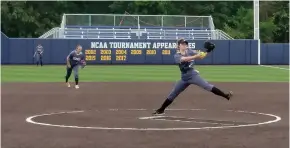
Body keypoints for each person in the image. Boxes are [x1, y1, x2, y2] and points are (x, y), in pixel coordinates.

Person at [153, 39, 233, 115]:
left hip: (193, 75)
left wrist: (208, 51)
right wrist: (195, 56)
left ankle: (226, 96)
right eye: (183, 44)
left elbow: (201, 55)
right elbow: (184, 59)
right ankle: (161, 109)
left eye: (185, 44)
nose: (185, 45)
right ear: (178, 46)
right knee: (173, 94)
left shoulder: (190, 51)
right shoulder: (177, 55)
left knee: (207, 86)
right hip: (184, 78)